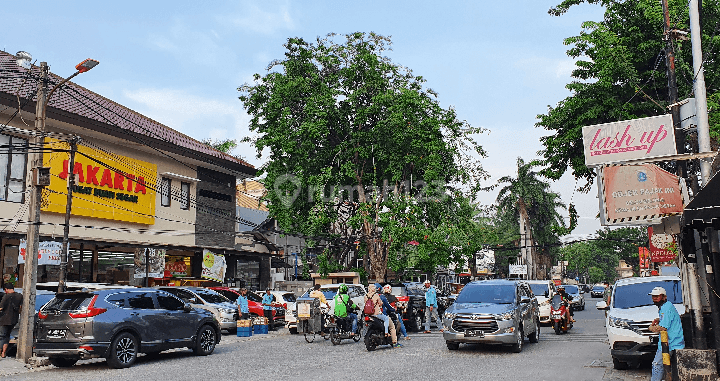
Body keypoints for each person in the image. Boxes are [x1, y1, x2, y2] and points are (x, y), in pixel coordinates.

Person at [648, 286, 684, 381]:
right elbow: (668, 319)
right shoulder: (666, 306)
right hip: (672, 341)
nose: (654, 299)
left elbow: (663, 327)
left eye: (657, 296)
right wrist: (659, 319)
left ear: (664, 297)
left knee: (657, 364)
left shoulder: (666, 308)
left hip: (671, 342)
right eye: (653, 296)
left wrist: (651, 328)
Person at [0, 282, 22, 358]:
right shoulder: (19, 296)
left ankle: (0, 352)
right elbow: (20, 307)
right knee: (7, 336)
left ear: (6, 289)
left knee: (2, 336)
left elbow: (1, 308)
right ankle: (4, 353)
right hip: (14, 319)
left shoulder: (6, 296)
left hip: (4, 319)